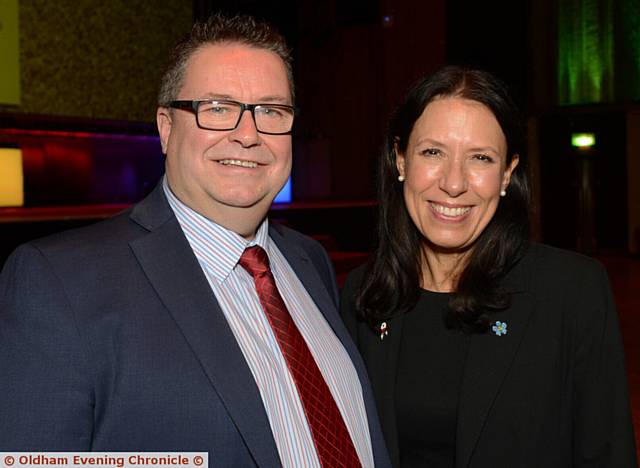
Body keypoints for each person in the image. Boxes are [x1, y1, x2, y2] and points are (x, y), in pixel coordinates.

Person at [0, 14, 391, 467]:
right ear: (166, 127)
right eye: (218, 108)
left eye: (271, 111)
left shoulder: (309, 260)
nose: (248, 134)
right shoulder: (58, 284)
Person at [340, 66, 638, 467]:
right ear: (400, 160)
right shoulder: (362, 296)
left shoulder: (572, 292)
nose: (454, 182)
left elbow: (607, 454)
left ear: (506, 174)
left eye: (480, 158)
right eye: (433, 152)